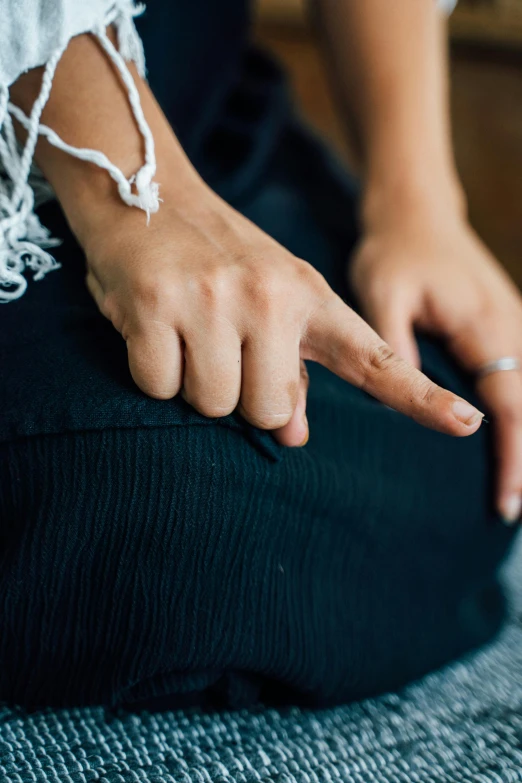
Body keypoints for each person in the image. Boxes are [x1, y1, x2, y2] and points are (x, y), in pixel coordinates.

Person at [0, 0, 520, 709]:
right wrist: (141, 190)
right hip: (44, 145)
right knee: (140, 487)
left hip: (193, 100)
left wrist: (419, 205)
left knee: (456, 432)